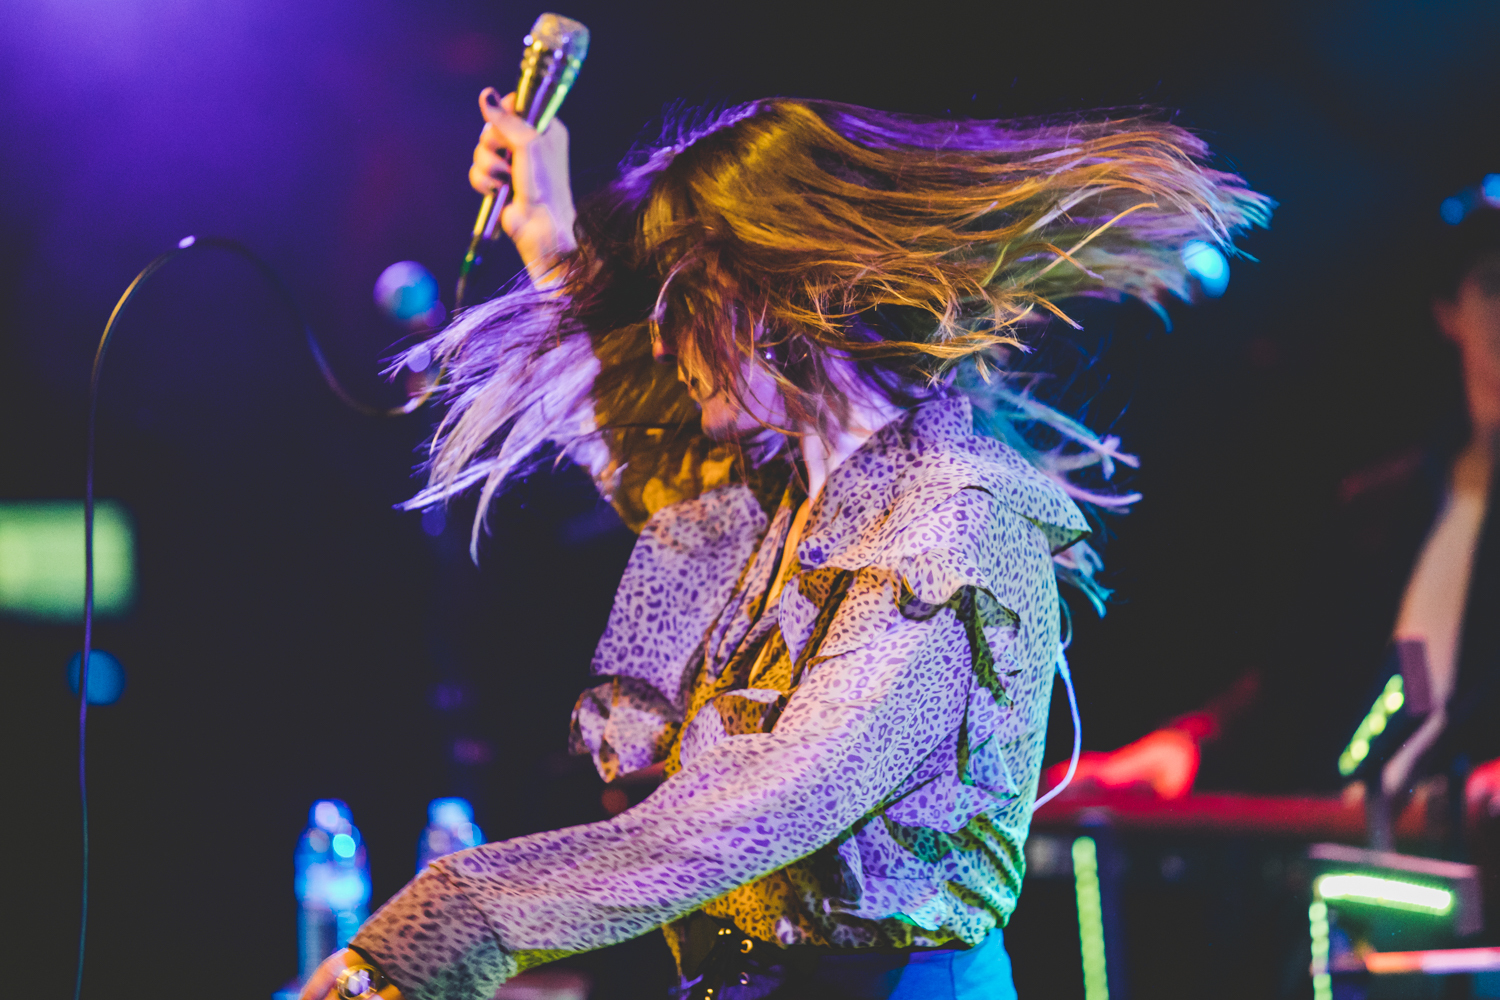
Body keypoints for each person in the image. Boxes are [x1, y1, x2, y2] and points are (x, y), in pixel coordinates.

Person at [300, 87, 1270, 1000]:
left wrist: (438, 929)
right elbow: (623, 416)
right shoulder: (774, 507)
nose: (668, 339)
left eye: (685, 300)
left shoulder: (956, 518)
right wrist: (548, 232)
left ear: (780, 294)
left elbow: (754, 809)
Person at [1052, 194, 1500, 826]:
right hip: (1381, 861)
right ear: (1448, 312)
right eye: (1494, 286)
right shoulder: (1387, 504)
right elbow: (1302, 678)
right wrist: (1191, 745)